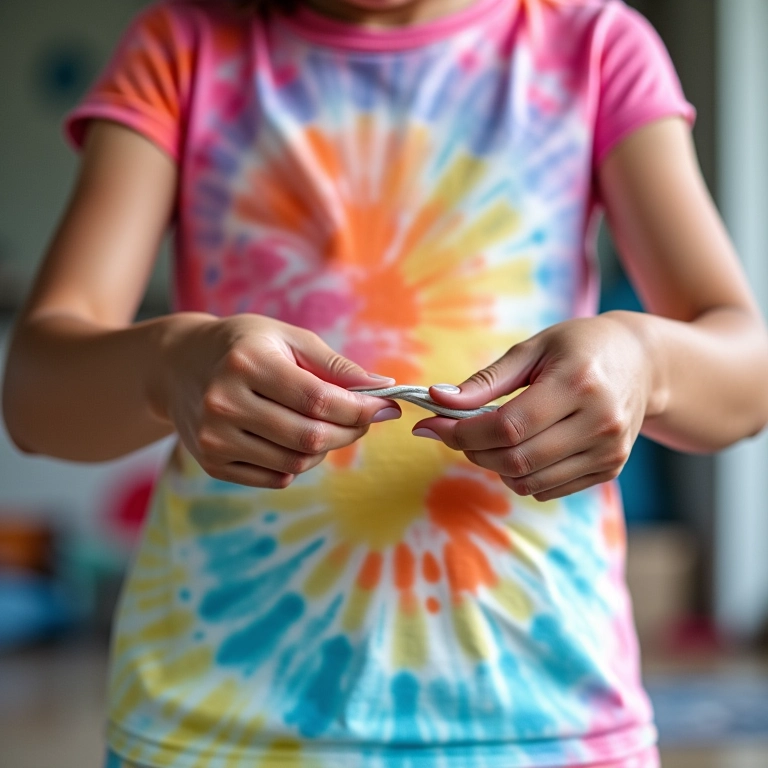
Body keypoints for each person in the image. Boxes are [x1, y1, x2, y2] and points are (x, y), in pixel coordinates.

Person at [3, 0, 768, 765]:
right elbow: (36, 401)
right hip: (214, 724)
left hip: (545, 717)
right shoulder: (180, 47)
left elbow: (747, 384)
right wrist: (169, 365)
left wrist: (646, 361)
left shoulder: (597, 47)